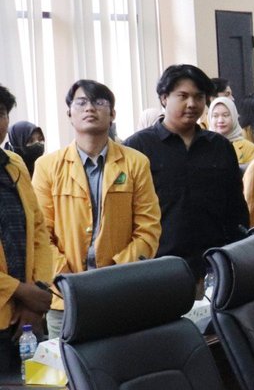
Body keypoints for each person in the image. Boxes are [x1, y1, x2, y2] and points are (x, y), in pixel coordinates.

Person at [32, 80, 161, 334]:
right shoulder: (47, 167)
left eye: (99, 102)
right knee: (67, 360)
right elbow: (40, 235)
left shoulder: (136, 163)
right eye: (81, 102)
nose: (90, 108)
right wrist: (67, 281)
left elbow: (148, 228)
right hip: (64, 299)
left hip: (122, 294)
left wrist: (113, 277)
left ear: (112, 114)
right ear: (69, 114)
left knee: (123, 356)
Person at [124, 65, 249, 283]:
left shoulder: (219, 146)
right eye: (183, 96)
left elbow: (236, 208)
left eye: (199, 97)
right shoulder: (138, 147)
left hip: (215, 265)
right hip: (158, 267)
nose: (192, 104)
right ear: (164, 98)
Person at [0, 83, 52, 343]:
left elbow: (39, 230)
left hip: (25, 316)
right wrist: (20, 291)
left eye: (1, 113)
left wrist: (36, 292)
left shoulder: (14, 164)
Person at [209, 96, 254, 166]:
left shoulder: (249, 148)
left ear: (234, 117)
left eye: (225, 115)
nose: (220, 120)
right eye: (215, 116)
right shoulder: (203, 146)